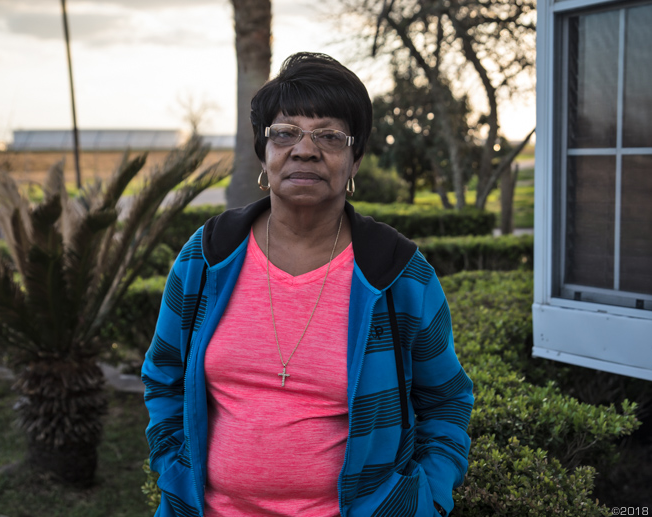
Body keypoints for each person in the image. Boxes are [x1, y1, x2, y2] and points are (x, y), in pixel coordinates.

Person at [142, 52, 473, 517]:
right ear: (264, 152)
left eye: (329, 136)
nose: (305, 149)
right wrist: (174, 471)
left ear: (355, 160)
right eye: (285, 133)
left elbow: (447, 402)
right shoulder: (208, 256)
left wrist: (424, 500)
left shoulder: (398, 273)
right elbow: (163, 377)